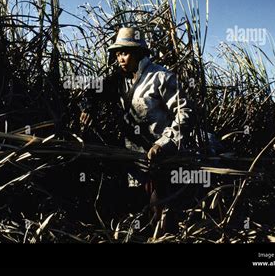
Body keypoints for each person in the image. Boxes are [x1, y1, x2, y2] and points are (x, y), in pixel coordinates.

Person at [79, 27, 193, 232]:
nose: (119, 58)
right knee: (135, 218)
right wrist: (89, 108)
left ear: (139, 53)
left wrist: (163, 143)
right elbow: (92, 92)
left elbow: (185, 113)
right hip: (132, 161)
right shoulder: (118, 80)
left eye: (125, 52)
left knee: (160, 220)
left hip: (161, 161)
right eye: (117, 53)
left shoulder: (161, 77)